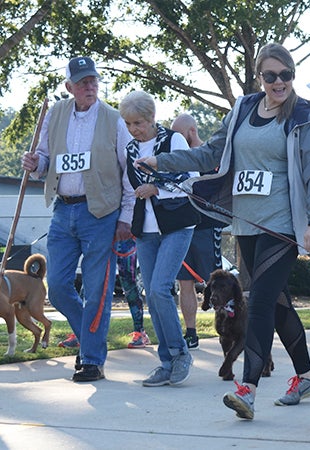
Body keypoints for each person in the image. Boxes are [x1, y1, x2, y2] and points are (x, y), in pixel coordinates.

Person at [135, 43, 310, 420]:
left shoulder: (303, 115)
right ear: (260, 76)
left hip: (282, 224)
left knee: (257, 302)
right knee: (277, 304)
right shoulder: (242, 109)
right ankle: (306, 376)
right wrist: (162, 160)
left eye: (285, 75)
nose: (279, 82)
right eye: (270, 76)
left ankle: (248, 389)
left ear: (293, 76)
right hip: (246, 223)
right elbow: (211, 154)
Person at [21, 56, 133, 382]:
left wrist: (126, 218)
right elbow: (45, 160)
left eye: (93, 80)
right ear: (69, 86)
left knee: (96, 291)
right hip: (62, 209)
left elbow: (129, 172)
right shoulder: (54, 114)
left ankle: (92, 360)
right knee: (56, 288)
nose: (89, 86)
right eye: (82, 81)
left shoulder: (114, 120)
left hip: (101, 213)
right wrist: (34, 163)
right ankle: (91, 339)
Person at [120, 90, 198, 387]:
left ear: (152, 118)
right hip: (146, 229)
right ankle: (165, 362)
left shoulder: (172, 140)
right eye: (128, 124)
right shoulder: (130, 149)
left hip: (177, 225)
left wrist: (157, 189)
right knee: (151, 295)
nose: (133, 129)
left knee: (160, 288)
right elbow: (132, 186)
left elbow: (189, 177)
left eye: (138, 122)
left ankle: (180, 354)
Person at [170, 113, 226, 350]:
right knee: (185, 282)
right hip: (183, 228)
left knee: (217, 283)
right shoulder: (179, 159)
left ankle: (226, 329)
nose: (177, 140)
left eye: (180, 135)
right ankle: (191, 332)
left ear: (191, 132)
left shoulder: (210, 158)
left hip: (207, 227)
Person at [115, 237, 150, 349]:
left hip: (125, 237)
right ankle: (80, 332)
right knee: (88, 285)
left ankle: (140, 332)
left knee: (129, 286)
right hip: (103, 234)